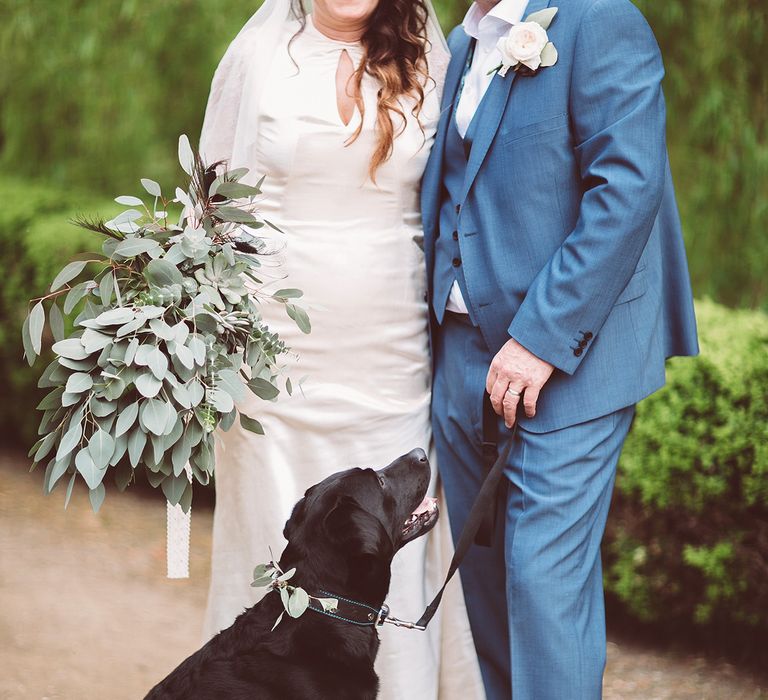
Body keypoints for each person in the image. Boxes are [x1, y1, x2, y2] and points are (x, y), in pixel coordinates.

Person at [197, 1, 485, 698]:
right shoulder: (257, 57)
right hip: (269, 365)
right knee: (271, 548)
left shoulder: (428, 55)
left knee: (390, 556)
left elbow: (464, 191)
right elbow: (207, 203)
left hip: (391, 359)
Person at [421, 0, 699, 698]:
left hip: (568, 363)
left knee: (543, 589)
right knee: (482, 594)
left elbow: (627, 190)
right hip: (459, 357)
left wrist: (538, 340)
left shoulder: (600, 21)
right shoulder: (461, 41)